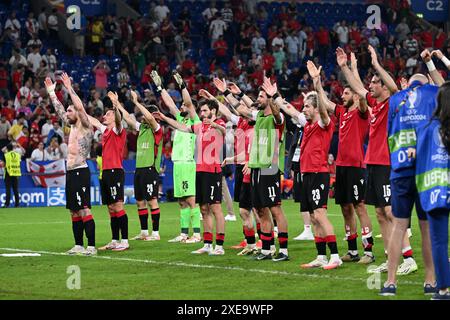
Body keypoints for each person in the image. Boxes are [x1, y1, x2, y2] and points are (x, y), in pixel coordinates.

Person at [336, 46, 417, 275]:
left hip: (385, 163)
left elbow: (392, 86)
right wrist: (344, 67)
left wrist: (376, 64)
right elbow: (358, 88)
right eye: (371, 83)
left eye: (374, 83)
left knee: (391, 212)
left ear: (382, 87)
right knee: (380, 213)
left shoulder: (392, 102)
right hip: (372, 163)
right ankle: (391, 259)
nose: (370, 86)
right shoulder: (375, 104)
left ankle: (409, 259)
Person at [380, 70, 438, 296]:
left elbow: (389, 136)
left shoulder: (395, 100)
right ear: (425, 84)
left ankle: (390, 282)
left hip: (400, 170)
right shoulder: (431, 95)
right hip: (424, 170)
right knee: (426, 228)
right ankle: (430, 281)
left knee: (398, 227)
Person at [227, 77, 290, 262]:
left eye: (262, 97)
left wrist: (272, 96)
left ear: (269, 99)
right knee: (260, 210)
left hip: (269, 169)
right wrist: (228, 94)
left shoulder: (277, 119)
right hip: (255, 169)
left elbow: (278, 114)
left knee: (275, 209)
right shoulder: (260, 116)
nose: (258, 99)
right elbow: (241, 109)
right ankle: (268, 249)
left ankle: (284, 251)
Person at [157, 98, 227, 256]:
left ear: (213, 111)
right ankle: (208, 244)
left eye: (205, 111)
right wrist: (165, 118)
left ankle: (220, 246)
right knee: (203, 209)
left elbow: (223, 131)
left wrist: (214, 124)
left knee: (216, 208)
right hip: (199, 170)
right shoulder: (199, 126)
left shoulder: (220, 123)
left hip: (213, 171)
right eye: (201, 111)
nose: (202, 114)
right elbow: (181, 127)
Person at [44, 73, 96, 256]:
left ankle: (91, 246)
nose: (67, 113)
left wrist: (69, 87)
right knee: (73, 211)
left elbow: (80, 108)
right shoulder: (72, 127)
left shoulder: (85, 125)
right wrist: (51, 92)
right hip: (71, 172)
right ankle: (78, 245)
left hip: (81, 171)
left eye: (70, 111)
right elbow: (58, 110)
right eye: (67, 111)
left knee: (84, 209)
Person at [330, 53, 374, 264]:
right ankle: (352, 250)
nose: (343, 95)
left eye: (347, 93)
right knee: (345, 207)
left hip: (356, 166)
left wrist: (349, 67)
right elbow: (326, 105)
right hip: (341, 167)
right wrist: (316, 83)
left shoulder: (362, 113)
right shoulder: (343, 113)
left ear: (356, 96)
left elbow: (362, 94)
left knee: (359, 207)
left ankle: (369, 251)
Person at [151, 70, 202, 244]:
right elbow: (170, 104)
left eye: (184, 106)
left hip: (188, 164)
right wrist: (160, 87)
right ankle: (183, 233)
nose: (180, 107)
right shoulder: (181, 119)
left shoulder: (195, 123)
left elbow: (187, 101)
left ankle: (196, 234)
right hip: (177, 165)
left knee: (191, 200)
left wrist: (183, 86)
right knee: (181, 201)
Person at [410, 82, 450, 300]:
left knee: (439, 243)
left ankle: (443, 290)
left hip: (433, 188)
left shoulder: (424, 128)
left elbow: (420, 160)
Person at [115, 91, 163, 242]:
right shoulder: (142, 128)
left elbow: (148, 117)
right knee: (140, 202)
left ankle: (155, 233)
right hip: (139, 170)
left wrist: (137, 102)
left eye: (146, 114)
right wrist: (118, 105)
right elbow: (128, 119)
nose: (142, 117)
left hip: (150, 169)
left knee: (152, 201)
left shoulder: (157, 129)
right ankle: (144, 232)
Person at [89, 92, 129, 252]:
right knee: (111, 208)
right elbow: (92, 120)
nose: (105, 115)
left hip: (115, 171)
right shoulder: (105, 131)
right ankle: (114, 240)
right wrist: (79, 109)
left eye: (108, 114)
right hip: (105, 172)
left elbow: (119, 120)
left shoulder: (118, 130)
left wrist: (116, 105)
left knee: (118, 206)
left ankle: (124, 241)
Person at [1, 143, 21, 208]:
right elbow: (18, 163)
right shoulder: (17, 155)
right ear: (12, 148)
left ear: (7, 149)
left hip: (8, 173)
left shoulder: (6, 155)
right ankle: (17, 204)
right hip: (15, 173)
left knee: (8, 189)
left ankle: (7, 204)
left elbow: (3, 165)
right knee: (15, 189)